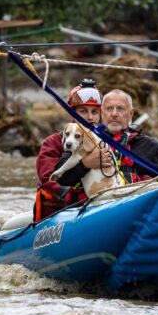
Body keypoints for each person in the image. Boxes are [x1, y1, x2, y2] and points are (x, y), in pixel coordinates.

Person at [54, 88, 158, 187]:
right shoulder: (84, 139)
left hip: (134, 204)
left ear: (130, 113)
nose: (114, 114)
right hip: (94, 208)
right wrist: (86, 164)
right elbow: (61, 179)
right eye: (109, 109)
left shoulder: (147, 145)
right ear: (102, 112)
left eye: (120, 109)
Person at [34, 79, 113, 221]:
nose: (89, 117)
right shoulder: (53, 142)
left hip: (102, 204)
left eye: (94, 111)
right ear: (72, 114)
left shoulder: (108, 142)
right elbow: (48, 178)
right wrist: (85, 165)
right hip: (62, 210)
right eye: (83, 111)